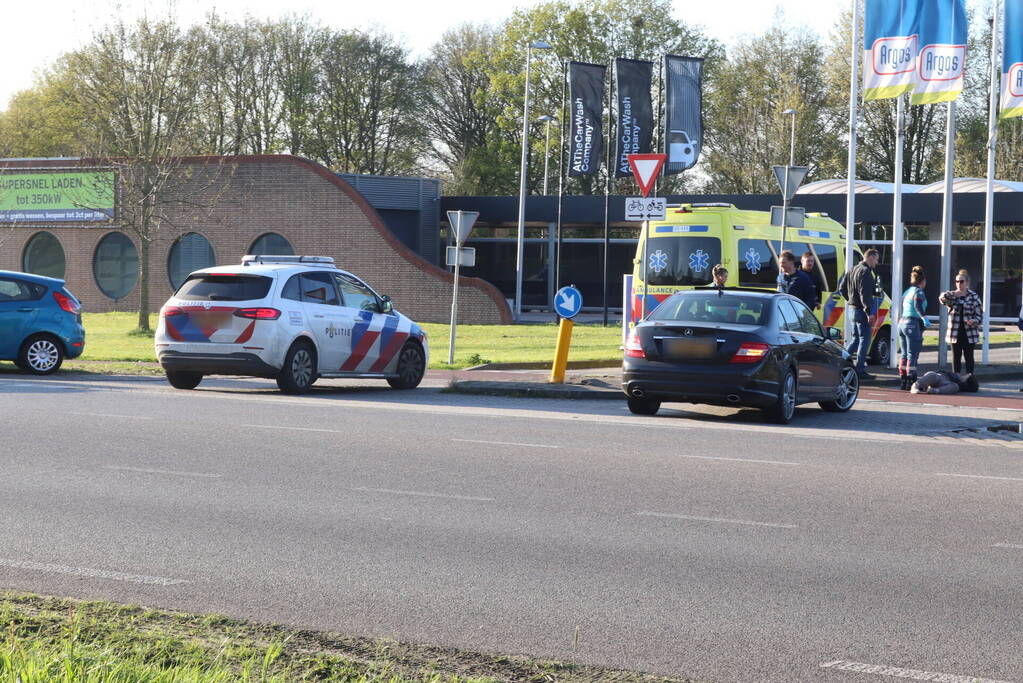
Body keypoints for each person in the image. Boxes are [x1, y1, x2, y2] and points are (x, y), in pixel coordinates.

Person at [844, 248, 881, 380]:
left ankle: (841, 363)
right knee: (865, 339)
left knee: (855, 339)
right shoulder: (866, 272)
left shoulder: (852, 269)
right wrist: (869, 312)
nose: (876, 263)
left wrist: (850, 300)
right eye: (876, 259)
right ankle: (859, 369)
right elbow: (864, 294)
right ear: (870, 257)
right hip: (861, 310)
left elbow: (842, 288)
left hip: (852, 309)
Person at [939, 269, 983, 378]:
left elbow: (980, 316)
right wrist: (954, 294)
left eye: (961, 281)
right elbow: (942, 298)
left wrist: (974, 321)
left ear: (967, 283)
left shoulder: (974, 296)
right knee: (956, 356)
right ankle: (956, 378)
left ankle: (969, 378)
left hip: (969, 333)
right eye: (957, 281)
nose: (959, 284)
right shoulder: (952, 295)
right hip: (955, 332)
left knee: (969, 357)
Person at [897, 266, 929, 390]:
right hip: (912, 323)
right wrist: (924, 318)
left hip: (902, 323)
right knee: (913, 353)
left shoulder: (907, 291)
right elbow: (917, 305)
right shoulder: (919, 292)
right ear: (923, 281)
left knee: (904, 353)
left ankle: (903, 380)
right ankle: (911, 380)